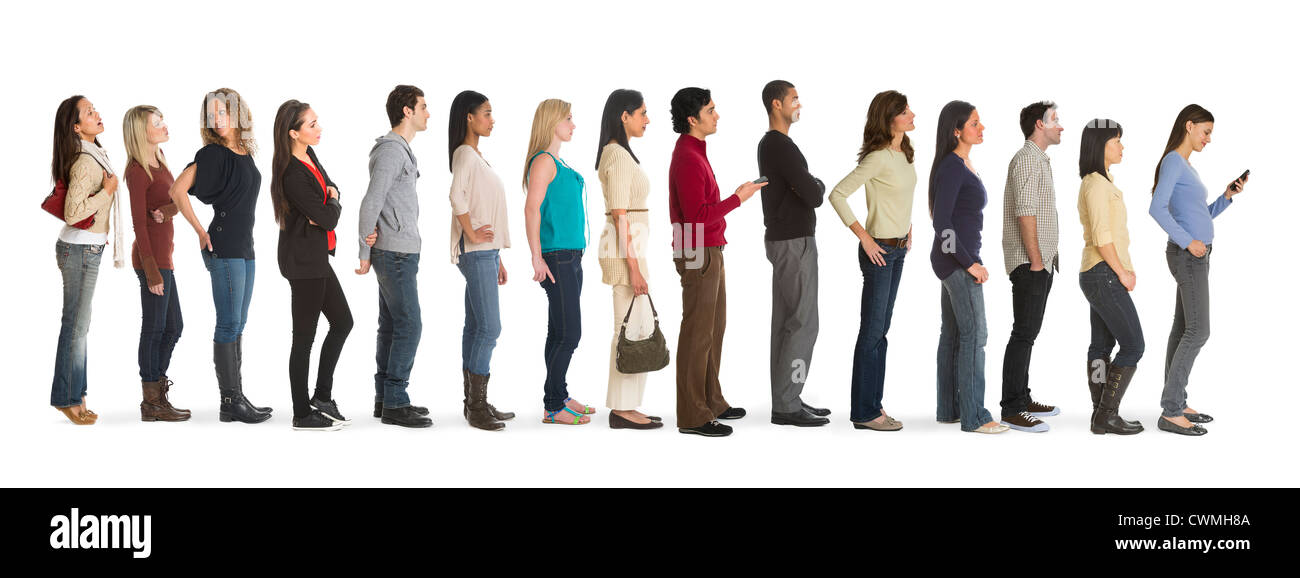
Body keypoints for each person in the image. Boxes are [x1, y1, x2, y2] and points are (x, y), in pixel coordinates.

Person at [168, 88, 272, 424]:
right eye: (211, 115)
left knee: (238, 324)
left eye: (222, 113)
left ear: (237, 113)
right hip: (223, 247)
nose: (217, 120)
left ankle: (238, 398)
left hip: (245, 248)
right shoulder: (211, 154)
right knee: (228, 324)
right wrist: (201, 231)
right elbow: (177, 190)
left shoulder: (244, 151)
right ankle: (230, 402)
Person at [668, 87, 767, 437]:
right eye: (711, 110)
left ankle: (711, 399)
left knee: (714, 327)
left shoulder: (696, 151)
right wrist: (738, 198)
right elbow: (696, 215)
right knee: (697, 332)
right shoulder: (687, 157)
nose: (717, 115)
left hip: (707, 247)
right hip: (696, 247)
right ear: (692, 119)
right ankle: (693, 415)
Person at [1148, 104, 1248, 436]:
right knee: (1198, 331)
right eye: (1206, 132)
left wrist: (1226, 197)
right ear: (1189, 126)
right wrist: (1188, 241)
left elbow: (1197, 214)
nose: (1208, 139)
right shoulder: (1174, 162)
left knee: (1183, 329)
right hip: (1188, 256)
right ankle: (1171, 410)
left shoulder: (1185, 165)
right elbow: (1156, 209)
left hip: (1195, 255)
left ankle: (1176, 400)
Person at [827, 89, 917, 432]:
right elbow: (836, 194)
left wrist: (908, 227)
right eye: (905, 111)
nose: (912, 115)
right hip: (878, 251)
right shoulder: (878, 156)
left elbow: (900, 196)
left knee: (882, 332)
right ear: (889, 117)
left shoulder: (904, 152)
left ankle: (874, 407)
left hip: (898, 250)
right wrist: (864, 237)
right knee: (872, 333)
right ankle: (865, 412)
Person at [271, 100, 354, 431]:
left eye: (317, 122)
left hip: (317, 258)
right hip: (303, 262)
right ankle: (301, 413)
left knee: (343, 322)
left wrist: (330, 200)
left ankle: (321, 396)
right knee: (303, 338)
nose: (319, 129)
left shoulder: (310, 156)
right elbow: (327, 216)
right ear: (293, 133)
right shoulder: (293, 173)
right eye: (312, 125)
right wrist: (331, 201)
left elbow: (332, 193)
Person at [356, 85, 433, 428]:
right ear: (407, 111)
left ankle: (385, 399)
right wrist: (363, 250)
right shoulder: (391, 151)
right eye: (423, 107)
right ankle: (396, 401)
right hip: (395, 253)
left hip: (399, 250)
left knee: (391, 325)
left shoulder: (400, 150)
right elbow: (371, 200)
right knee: (410, 325)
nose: (428, 113)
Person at [929, 101, 1008, 434]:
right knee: (976, 335)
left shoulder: (962, 164)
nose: (982, 127)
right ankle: (975, 416)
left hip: (953, 259)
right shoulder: (951, 166)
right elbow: (942, 223)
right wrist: (970, 263)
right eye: (975, 123)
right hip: (956, 262)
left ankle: (950, 409)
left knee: (954, 335)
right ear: (957, 130)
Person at [756, 80, 829, 427]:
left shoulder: (776, 146)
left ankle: (788, 398)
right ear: (776, 105)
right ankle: (787, 403)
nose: (799, 105)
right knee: (804, 323)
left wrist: (810, 184)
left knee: (787, 322)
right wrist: (815, 184)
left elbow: (806, 186)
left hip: (785, 240)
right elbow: (814, 194)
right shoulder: (778, 145)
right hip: (794, 241)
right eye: (794, 100)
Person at [49, 95, 122, 425]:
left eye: (95, 109)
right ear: (76, 127)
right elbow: (73, 212)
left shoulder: (96, 154)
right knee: (75, 328)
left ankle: (76, 397)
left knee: (80, 327)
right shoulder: (85, 161)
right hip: (79, 250)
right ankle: (67, 399)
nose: (97, 113)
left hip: (88, 248)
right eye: (89, 113)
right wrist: (106, 192)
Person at [595, 88, 663, 430]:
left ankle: (628, 405)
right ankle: (621, 410)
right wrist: (634, 268)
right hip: (624, 256)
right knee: (626, 332)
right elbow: (620, 215)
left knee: (636, 329)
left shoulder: (621, 153)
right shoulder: (616, 155)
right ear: (625, 115)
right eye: (642, 113)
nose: (647, 119)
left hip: (631, 252)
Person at [448, 90, 515, 431]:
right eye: (486, 114)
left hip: (486, 254)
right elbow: (455, 196)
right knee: (490, 327)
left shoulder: (476, 155)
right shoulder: (464, 154)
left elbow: (481, 204)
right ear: (469, 118)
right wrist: (472, 234)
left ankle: (476, 403)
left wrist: (497, 255)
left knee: (476, 326)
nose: (492, 120)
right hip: (475, 253)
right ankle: (475, 406)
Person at [523, 98, 592, 426]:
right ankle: (553, 404)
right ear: (552, 122)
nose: (573, 124)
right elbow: (531, 209)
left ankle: (559, 395)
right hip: (557, 257)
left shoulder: (559, 163)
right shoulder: (543, 162)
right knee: (570, 334)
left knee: (558, 331)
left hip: (572, 256)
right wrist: (536, 257)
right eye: (568, 118)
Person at [998, 100, 1063, 433]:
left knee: (1028, 333)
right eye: (1055, 120)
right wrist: (1036, 262)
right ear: (1039, 124)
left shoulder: (1039, 160)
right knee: (1022, 334)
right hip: (1030, 263)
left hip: (1042, 263)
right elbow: (1025, 213)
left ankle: (1021, 398)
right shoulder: (1026, 160)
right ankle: (1011, 408)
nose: (1060, 126)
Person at [122, 105, 189, 422]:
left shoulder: (160, 162)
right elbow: (138, 223)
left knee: (174, 326)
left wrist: (166, 210)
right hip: (151, 260)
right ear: (141, 131)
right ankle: (151, 401)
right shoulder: (137, 170)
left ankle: (157, 391)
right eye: (157, 123)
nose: (164, 126)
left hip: (167, 257)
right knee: (155, 328)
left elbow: (175, 200)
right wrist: (150, 271)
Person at [1077, 119, 1144, 435]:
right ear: (1099, 145)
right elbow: (1103, 237)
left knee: (1101, 346)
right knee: (1133, 345)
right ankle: (1106, 413)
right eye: (1116, 140)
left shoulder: (1102, 183)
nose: (1121, 146)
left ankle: (1099, 415)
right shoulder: (1096, 185)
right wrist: (1123, 273)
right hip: (1103, 273)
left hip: (1098, 273)